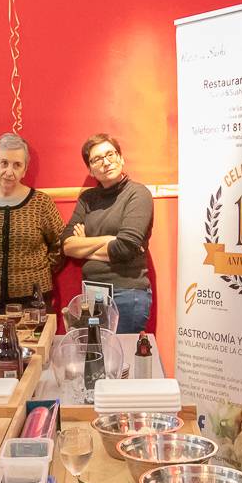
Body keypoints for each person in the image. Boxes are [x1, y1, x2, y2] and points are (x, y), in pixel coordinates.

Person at [61, 134, 154, 333]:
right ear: (90, 169)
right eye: (97, 159)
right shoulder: (88, 199)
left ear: (121, 158)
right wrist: (108, 240)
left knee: (122, 360)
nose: (106, 162)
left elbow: (124, 248)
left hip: (126, 294)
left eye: (110, 154)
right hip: (92, 294)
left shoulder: (138, 194)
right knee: (96, 360)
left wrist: (84, 245)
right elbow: (67, 245)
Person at [0, 133, 64, 315]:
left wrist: (37, 272)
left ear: (25, 169)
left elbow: (60, 244)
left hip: (33, 303)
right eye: (4, 163)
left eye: (17, 165)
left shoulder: (41, 203)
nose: (9, 171)